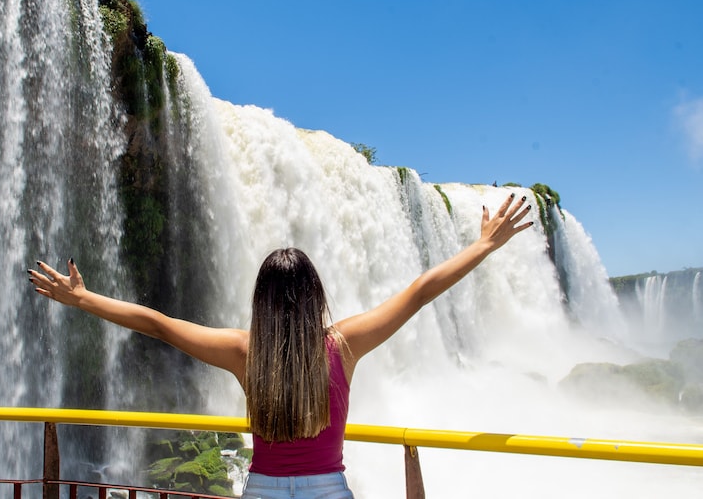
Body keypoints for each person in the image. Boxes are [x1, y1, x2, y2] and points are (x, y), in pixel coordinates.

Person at [28, 193, 533, 498]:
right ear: (315, 295)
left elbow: (158, 324)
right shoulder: (344, 343)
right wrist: (483, 245)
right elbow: (421, 292)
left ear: (260, 302)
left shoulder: (245, 352)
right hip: (329, 490)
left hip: (264, 489)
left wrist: (85, 299)